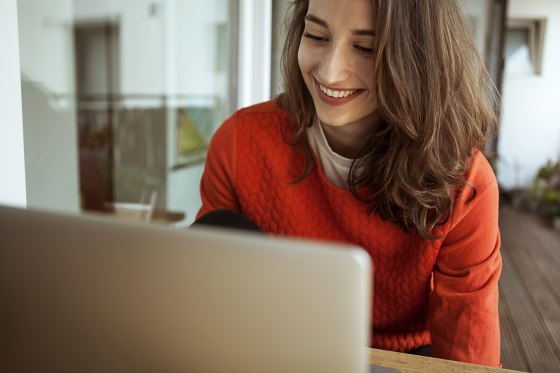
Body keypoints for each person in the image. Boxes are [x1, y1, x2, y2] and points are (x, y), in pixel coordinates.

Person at [196, 0, 502, 367]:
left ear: (418, 61)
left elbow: (468, 358)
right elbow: (207, 303)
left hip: (402, 359)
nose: (330, 72)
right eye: (316, 35)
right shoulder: (238, 142)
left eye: (365, 47)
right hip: (279, 352)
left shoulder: (464, 183)